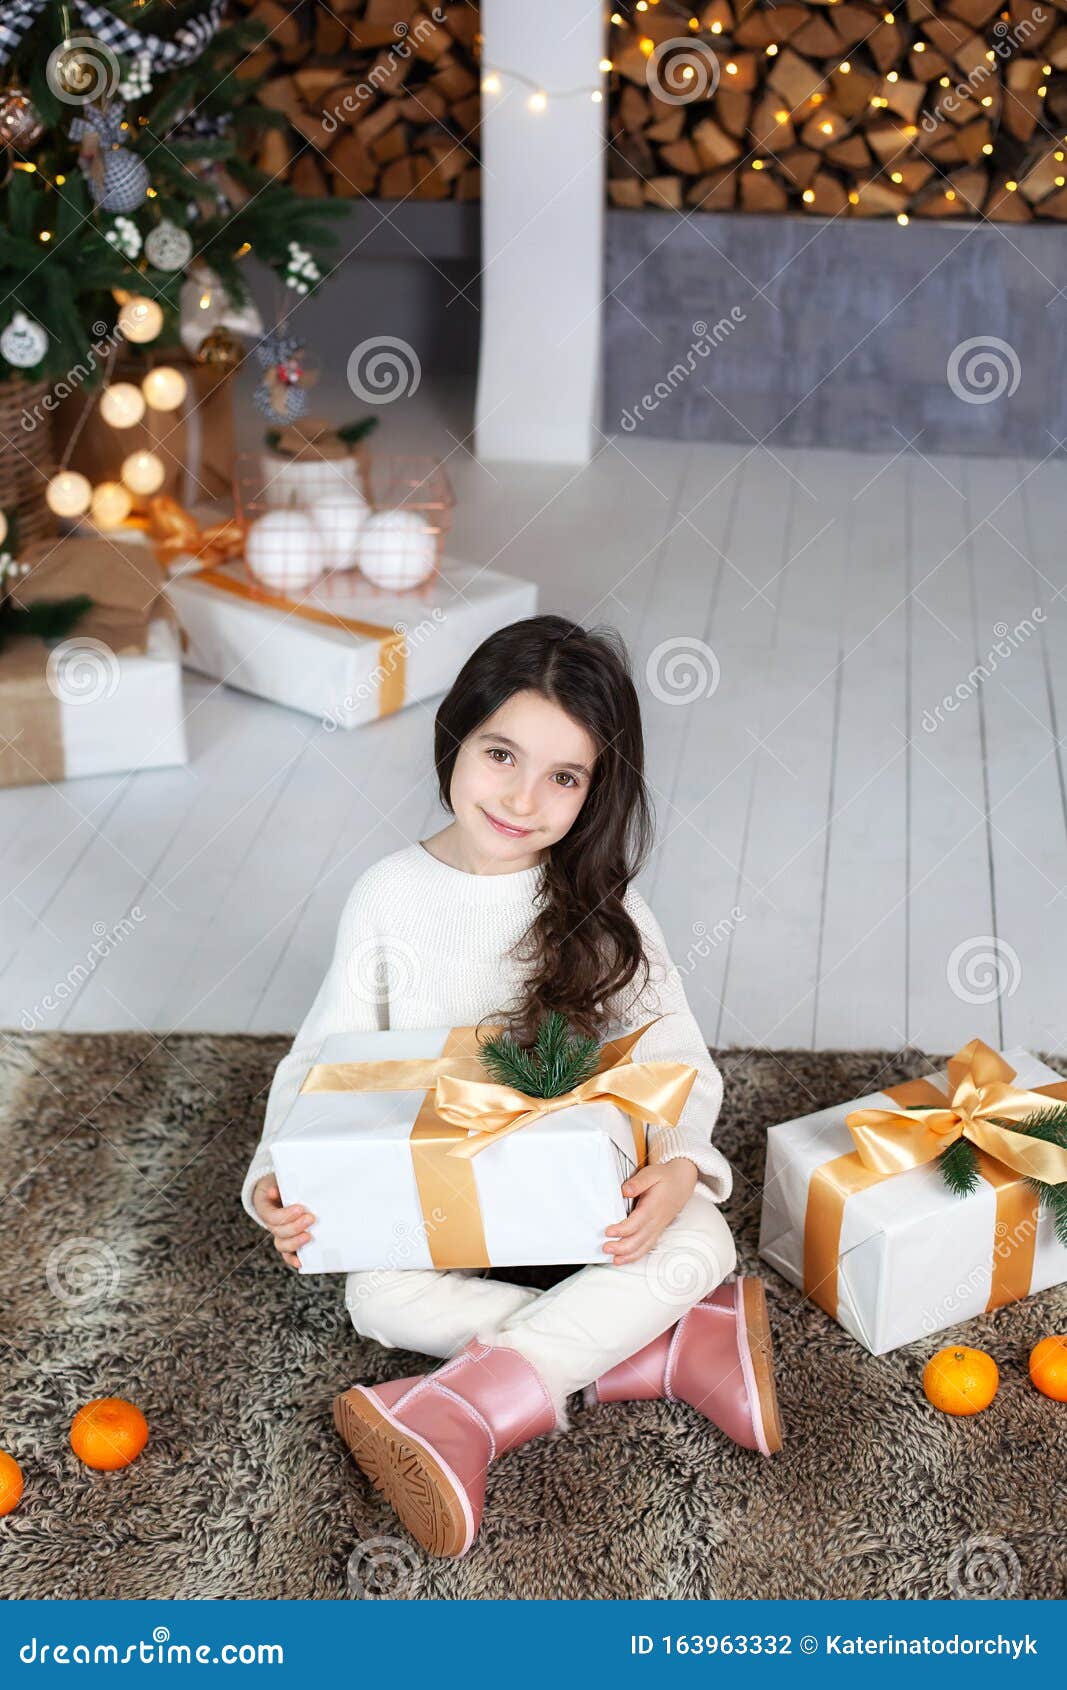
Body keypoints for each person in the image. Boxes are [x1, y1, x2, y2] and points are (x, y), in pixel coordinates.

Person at [242, 615, 783, 1559]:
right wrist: (272, 1182)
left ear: (594, 789)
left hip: (580, 1204)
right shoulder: (388, 897)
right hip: (443, 1195)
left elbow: (681, 1061)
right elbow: (321, 1060)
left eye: (563, 777)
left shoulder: (604, 909)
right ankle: (666, 1351)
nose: (523, 798)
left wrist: (683, 1167)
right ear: (456, 736)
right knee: (374, 1299)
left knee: (697, 1239)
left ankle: (467, 1412)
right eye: (501, 754)